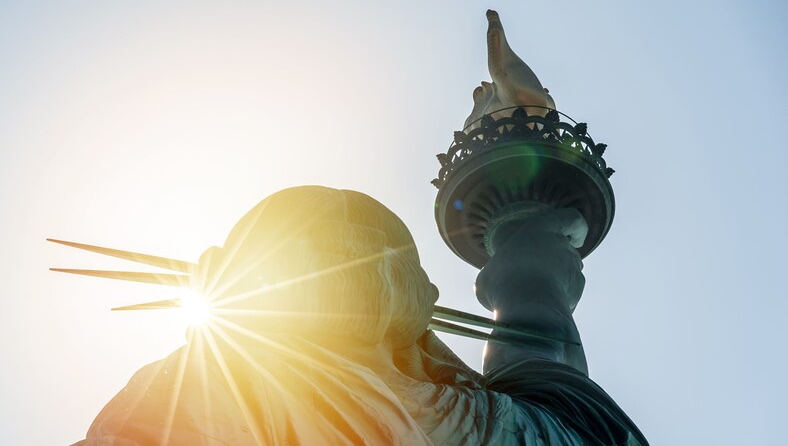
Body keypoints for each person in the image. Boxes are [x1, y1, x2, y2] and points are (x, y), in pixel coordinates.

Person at [74, 186, 646, 445]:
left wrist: (529, 251)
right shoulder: (219, 383)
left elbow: (542, 344)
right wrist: (530, 245)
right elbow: (542, 340)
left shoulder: (212, 381)